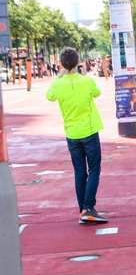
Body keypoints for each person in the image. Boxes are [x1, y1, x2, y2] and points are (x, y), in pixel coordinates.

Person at [46, 47, 108, 224]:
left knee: (79, 172)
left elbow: (49, 96)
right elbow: (97, 93)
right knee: (94, 169)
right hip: (89, 130)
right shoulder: (86, 81)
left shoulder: (58, 84)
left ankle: (83, 210)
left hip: (71, 133)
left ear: (62, 64)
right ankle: (88, 207)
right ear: (78, 62)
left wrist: (59, 76)